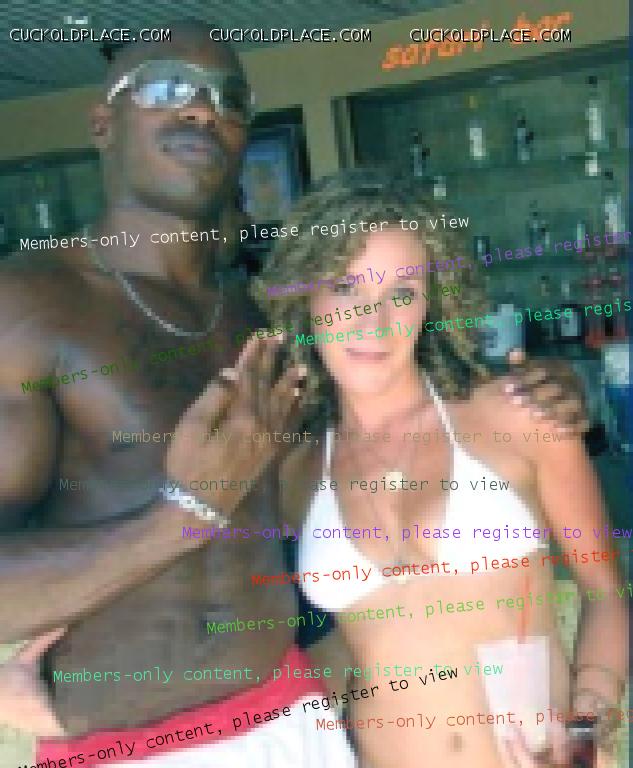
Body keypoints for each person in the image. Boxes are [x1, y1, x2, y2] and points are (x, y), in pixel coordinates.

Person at [0, 24, 590, 768]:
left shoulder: (261, 318)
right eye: (166, 87)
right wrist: (180, 519)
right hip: (133, 744)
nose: (201, 109)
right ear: (101, 122)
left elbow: (379, 445)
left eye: (228, 99)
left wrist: (545, 387)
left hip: (295, 720)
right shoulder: (28, 306)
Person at [253, 169, 628, 768]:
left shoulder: (516, 416)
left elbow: (605, 593)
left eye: (402, 293)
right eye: (346, 287)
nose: (373, 321)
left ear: (431, 304)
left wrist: (587, 725)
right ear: (305, 299)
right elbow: (350, 642)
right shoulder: (294, 471)